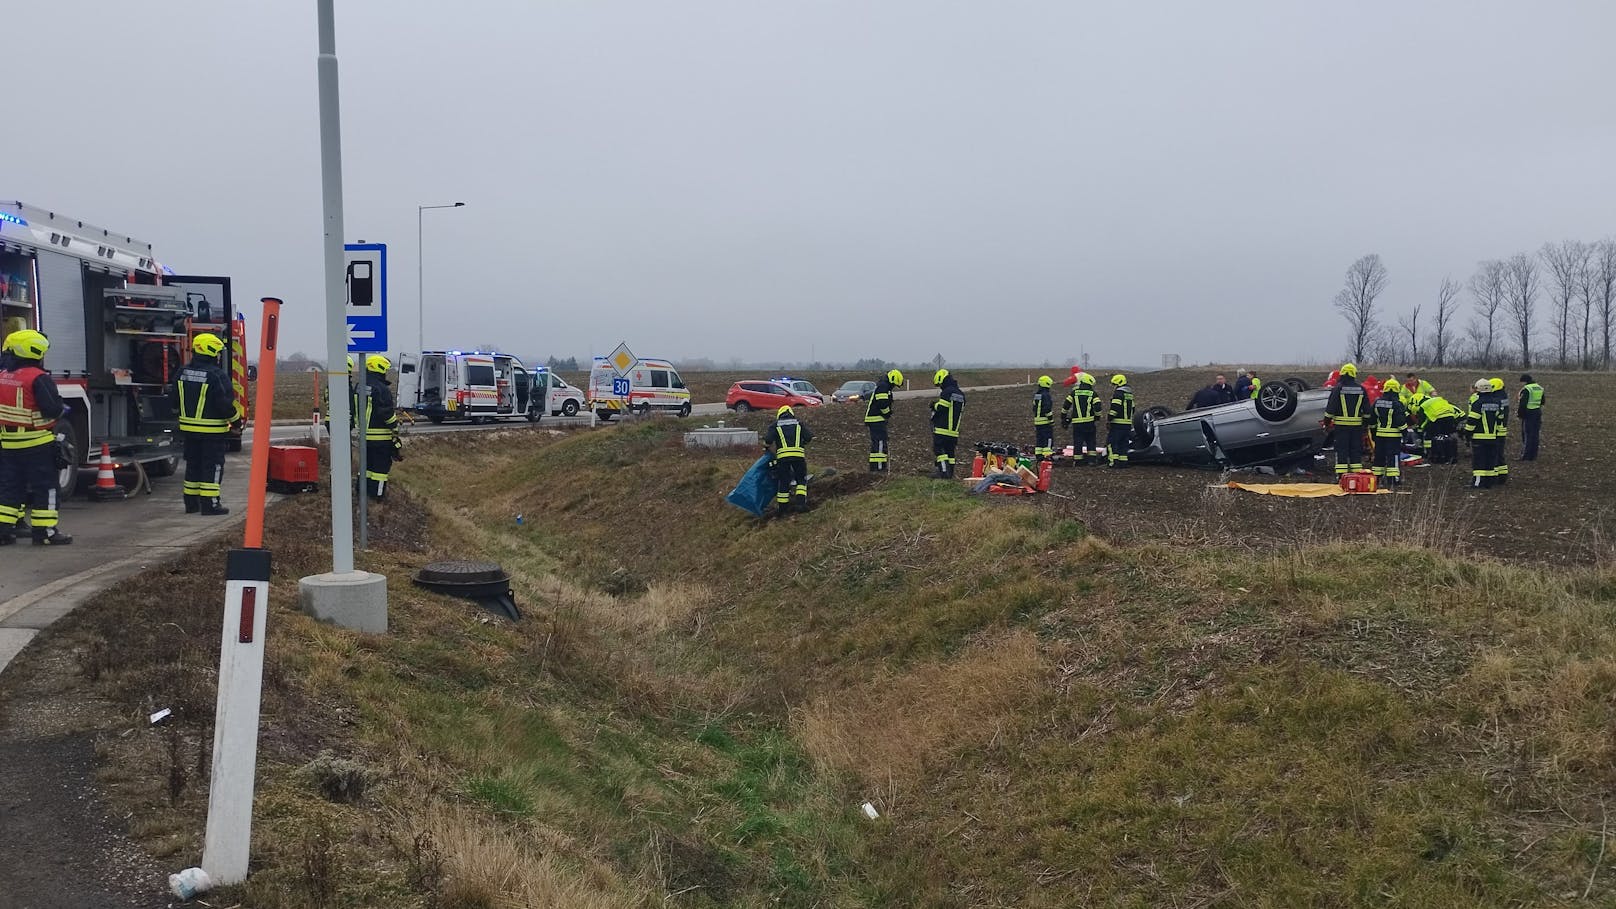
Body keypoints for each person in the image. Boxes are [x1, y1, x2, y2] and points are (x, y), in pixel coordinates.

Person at [0, 330, 71, 544]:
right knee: (46, 487)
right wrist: (61, 410)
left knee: (9, 487)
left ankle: (4, 532)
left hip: (8, 444)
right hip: (37, 444)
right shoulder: (38, 378)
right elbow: (52, 408)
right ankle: (45, 533)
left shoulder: (3, 376)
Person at [175, 332, 235, 515]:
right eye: (217, 352)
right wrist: (236, 420)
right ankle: (211, 505)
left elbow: (173, 400)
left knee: (193, 466)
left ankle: (191, 504)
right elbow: (224, 404)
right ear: (211, 352)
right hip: (213, 432)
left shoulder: (182, 372)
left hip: (188, 431)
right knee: (213, 466)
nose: (218, 356)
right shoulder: (216, 376)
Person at [356, 354, 401, 500]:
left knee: (366, 469)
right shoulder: (381, 389)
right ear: (379, 368)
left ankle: (362, 495)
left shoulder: (359, 385)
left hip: (363, 437)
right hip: (380, 439)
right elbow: (386, 412)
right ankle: (378, 498)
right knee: (380, 471)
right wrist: (395, 426)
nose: (386, 373)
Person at [763, 404, 812, 516]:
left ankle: (783, 509)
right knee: (801, 480)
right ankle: (801, 504)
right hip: (798, 457)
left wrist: (766, 447)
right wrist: (802, 443)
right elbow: (808, 437)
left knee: (784, 482)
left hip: (783, 459)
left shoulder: (775, 425)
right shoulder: (799, 423)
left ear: (779, 415)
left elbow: (768, 440)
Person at [1324, 362, 1368, 476]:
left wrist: (1326, 423)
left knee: (1342, 450)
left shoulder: (1338, 388)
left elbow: (1330, 409)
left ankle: (1342, 476)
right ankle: (1356, 476)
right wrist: (1365, 426)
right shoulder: (1361, 389)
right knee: (1355, 450)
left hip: (1341, 427)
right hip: (1357, 427)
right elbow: (1367, 411)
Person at [1463, 378, 1504, 489]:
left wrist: (1467, 434)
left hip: (1479, 438)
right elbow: (1500, 419)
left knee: (1479, 461)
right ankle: (1489, 482)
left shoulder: (1478, 403)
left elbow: (1472, 420)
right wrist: (1498, 434)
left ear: (1478, 390)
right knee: (1490, 460)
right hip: (1494, 437)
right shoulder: (1497, 402)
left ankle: (1478, 483)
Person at [863, 369, 901, 472]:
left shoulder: (883, 385)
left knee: (876, 444)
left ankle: (874, 467)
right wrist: (888, 413)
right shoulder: (884, 386)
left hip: (875, 419)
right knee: (880, 443)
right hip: (876, 419)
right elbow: (882, 403)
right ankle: (879, 468)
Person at [1371, 379, 1407, 486]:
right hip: (1393, 436)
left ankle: (1377, 478)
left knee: (1379, 456)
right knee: (1393, 456)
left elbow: (1372, 420)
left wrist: (1373, 433)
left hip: (1380, 435)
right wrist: (1405, 433)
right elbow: (1400, 421)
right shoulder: (1397, 404)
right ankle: (1393, 479)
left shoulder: (1377, 402)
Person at [930, 369, 965, 478]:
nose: (940, 386)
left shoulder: (947, 392)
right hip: (954, 431)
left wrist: (933, 405)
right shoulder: (960, 394)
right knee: (950, 454)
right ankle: (950, 474)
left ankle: (944, 473)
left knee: (939, 451)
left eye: (939, 384)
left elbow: (941, 407)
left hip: (942, 429)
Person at [1061, 371, 1101, 465]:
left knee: (1078, 442)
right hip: (1089, 423)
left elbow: (1066, 405)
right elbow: (1098, 407)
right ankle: (1092, 460)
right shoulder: (1092, 393)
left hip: (1077, 423)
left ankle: (1078, 461)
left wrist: (1063, 417)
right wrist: (1097, 417)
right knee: (1091, 441)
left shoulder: (1074, 393)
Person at [1415, 394, 1462, 464]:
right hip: (1450, 417)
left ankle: (1430, 454)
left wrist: (1421, 429)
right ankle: (1450, 455)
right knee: (1447, 437)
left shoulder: (1423, 406)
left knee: (1431, 436)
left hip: (1437, 419)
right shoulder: (1440, 400)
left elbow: (1422, 421)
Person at [1105, 374, 1134, 467]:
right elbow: (1133, 408)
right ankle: (1123, 462)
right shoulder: (1129, 394)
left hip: (1117, 423)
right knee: (1123, 443)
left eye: (1115, 384)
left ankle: (1113, 462)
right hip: (1127, 424)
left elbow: (1115, 408)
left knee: (1112, 442)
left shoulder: (1118, 394)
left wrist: (1109, 419)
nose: (1114, 387)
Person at [1517, 373, 1545, 460]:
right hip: (1537, 413)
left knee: (1527, 435)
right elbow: (1543, 401)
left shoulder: (1527, 389)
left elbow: (1523, 404)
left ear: (1524, 381)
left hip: (1528, 414)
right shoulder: (1539, 388)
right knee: (1535, 435)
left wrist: (1520, 414)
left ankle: (1526, 456)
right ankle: (1533, 455)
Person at [1489, 377, 1510, 484]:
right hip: (1502, 429)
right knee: (1500, 454)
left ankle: (1495, 476)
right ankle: (1502, 475)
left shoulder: (1496, 399)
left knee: (1494, 454)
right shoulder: (1503, 397)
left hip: (1496, 430)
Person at [1032, 375, 1055, 461]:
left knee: (1039, 439)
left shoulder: (1037, 395)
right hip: (1045, 422)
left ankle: (1039, 456)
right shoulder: (1046, 395)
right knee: (1048, 439)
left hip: (1037, 421)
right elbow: (1047, 409)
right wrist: (1051, 420)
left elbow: (1034, 408)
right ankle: (1047, 456)